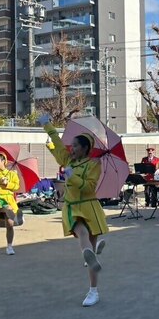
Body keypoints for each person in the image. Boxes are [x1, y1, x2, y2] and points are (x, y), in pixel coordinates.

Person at [41, 115, 109, 307]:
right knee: (82, 233)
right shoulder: (67, 159)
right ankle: (90, 253)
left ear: (85, 148)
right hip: (72, 207)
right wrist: (46, 125)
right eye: (71, 146)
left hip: (89, 205)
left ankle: (93, 290)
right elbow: (57, 143)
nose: (72, 148)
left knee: (89, 251)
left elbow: (89, 187)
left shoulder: (94, 164)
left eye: (76, 146)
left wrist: (72, 177)